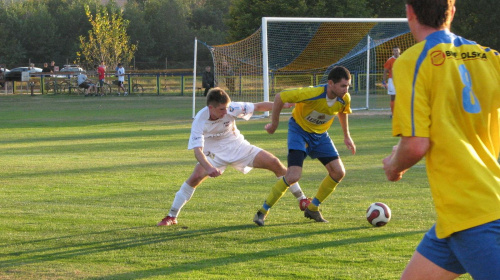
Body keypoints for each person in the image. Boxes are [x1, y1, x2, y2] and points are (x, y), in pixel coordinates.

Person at [382, 0, 500, 279]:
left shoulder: (411, 61)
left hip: (474, 214)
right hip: (458, 217)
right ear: (452, 11)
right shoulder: (490, 56)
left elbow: (415, 145)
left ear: (409, 11)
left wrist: (393, 166)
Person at [157, 87, 310, 227]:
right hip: (214, 154)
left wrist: (282, 105)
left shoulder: (231, 107)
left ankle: (302, 199)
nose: (226, 112)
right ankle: (171, 216)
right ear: (211, 108)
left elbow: (257, 106)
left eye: (227, 108)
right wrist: (209, 168)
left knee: (275, 163)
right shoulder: (199, 120)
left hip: (238, 147)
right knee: (195, 177)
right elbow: (197, 151)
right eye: (221, 109)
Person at [254, 66, 356, 226]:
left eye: (348, 86)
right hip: (299, 132)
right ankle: (262, 211)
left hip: (320, 136)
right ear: (331, 83)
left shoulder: (344, 98)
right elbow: (280, 97)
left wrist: (346, 136)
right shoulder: (312, 93)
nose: (346, 89)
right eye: (343, 86)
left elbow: (343, 111)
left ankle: (313, 208)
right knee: (293, 175)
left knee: (338, 172)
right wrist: (274, 124)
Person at [382, 46, 400, 117]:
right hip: (392, 80)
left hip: (401, 80)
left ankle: (400, 113)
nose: (396, 52)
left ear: (399, 51)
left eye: (397, 50)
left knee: (401, 97)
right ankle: (393, 114)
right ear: (393, 51)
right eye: (394, 51)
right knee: (393, 97)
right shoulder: (390, 60)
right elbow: (385, 71)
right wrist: (384, 81)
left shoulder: (403, 58)